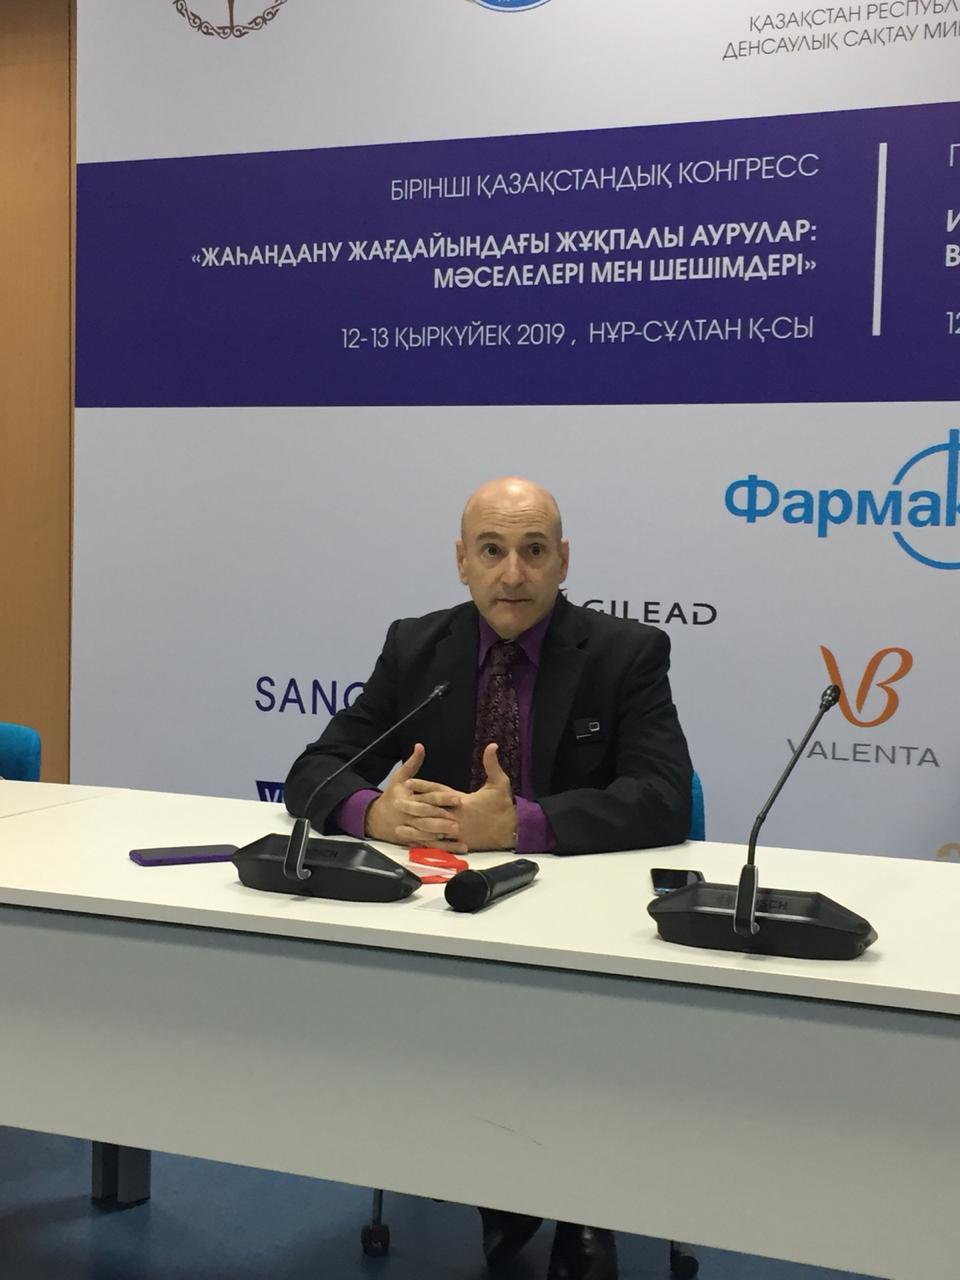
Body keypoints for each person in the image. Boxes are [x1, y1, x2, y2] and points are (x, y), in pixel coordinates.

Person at [285, 476, 693, 1280]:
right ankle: (499, 1184)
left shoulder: (626, 655)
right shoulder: (418, 648)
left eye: (533, 552)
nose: (513, 574)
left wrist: (520, 825)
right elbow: (315, 768)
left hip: (580, 920)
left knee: (570, 1027)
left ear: (563, 561)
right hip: (450, 916)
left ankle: (582, 1206)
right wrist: (373, 812)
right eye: (493, 551)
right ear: (462, 561)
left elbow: (663, 798)